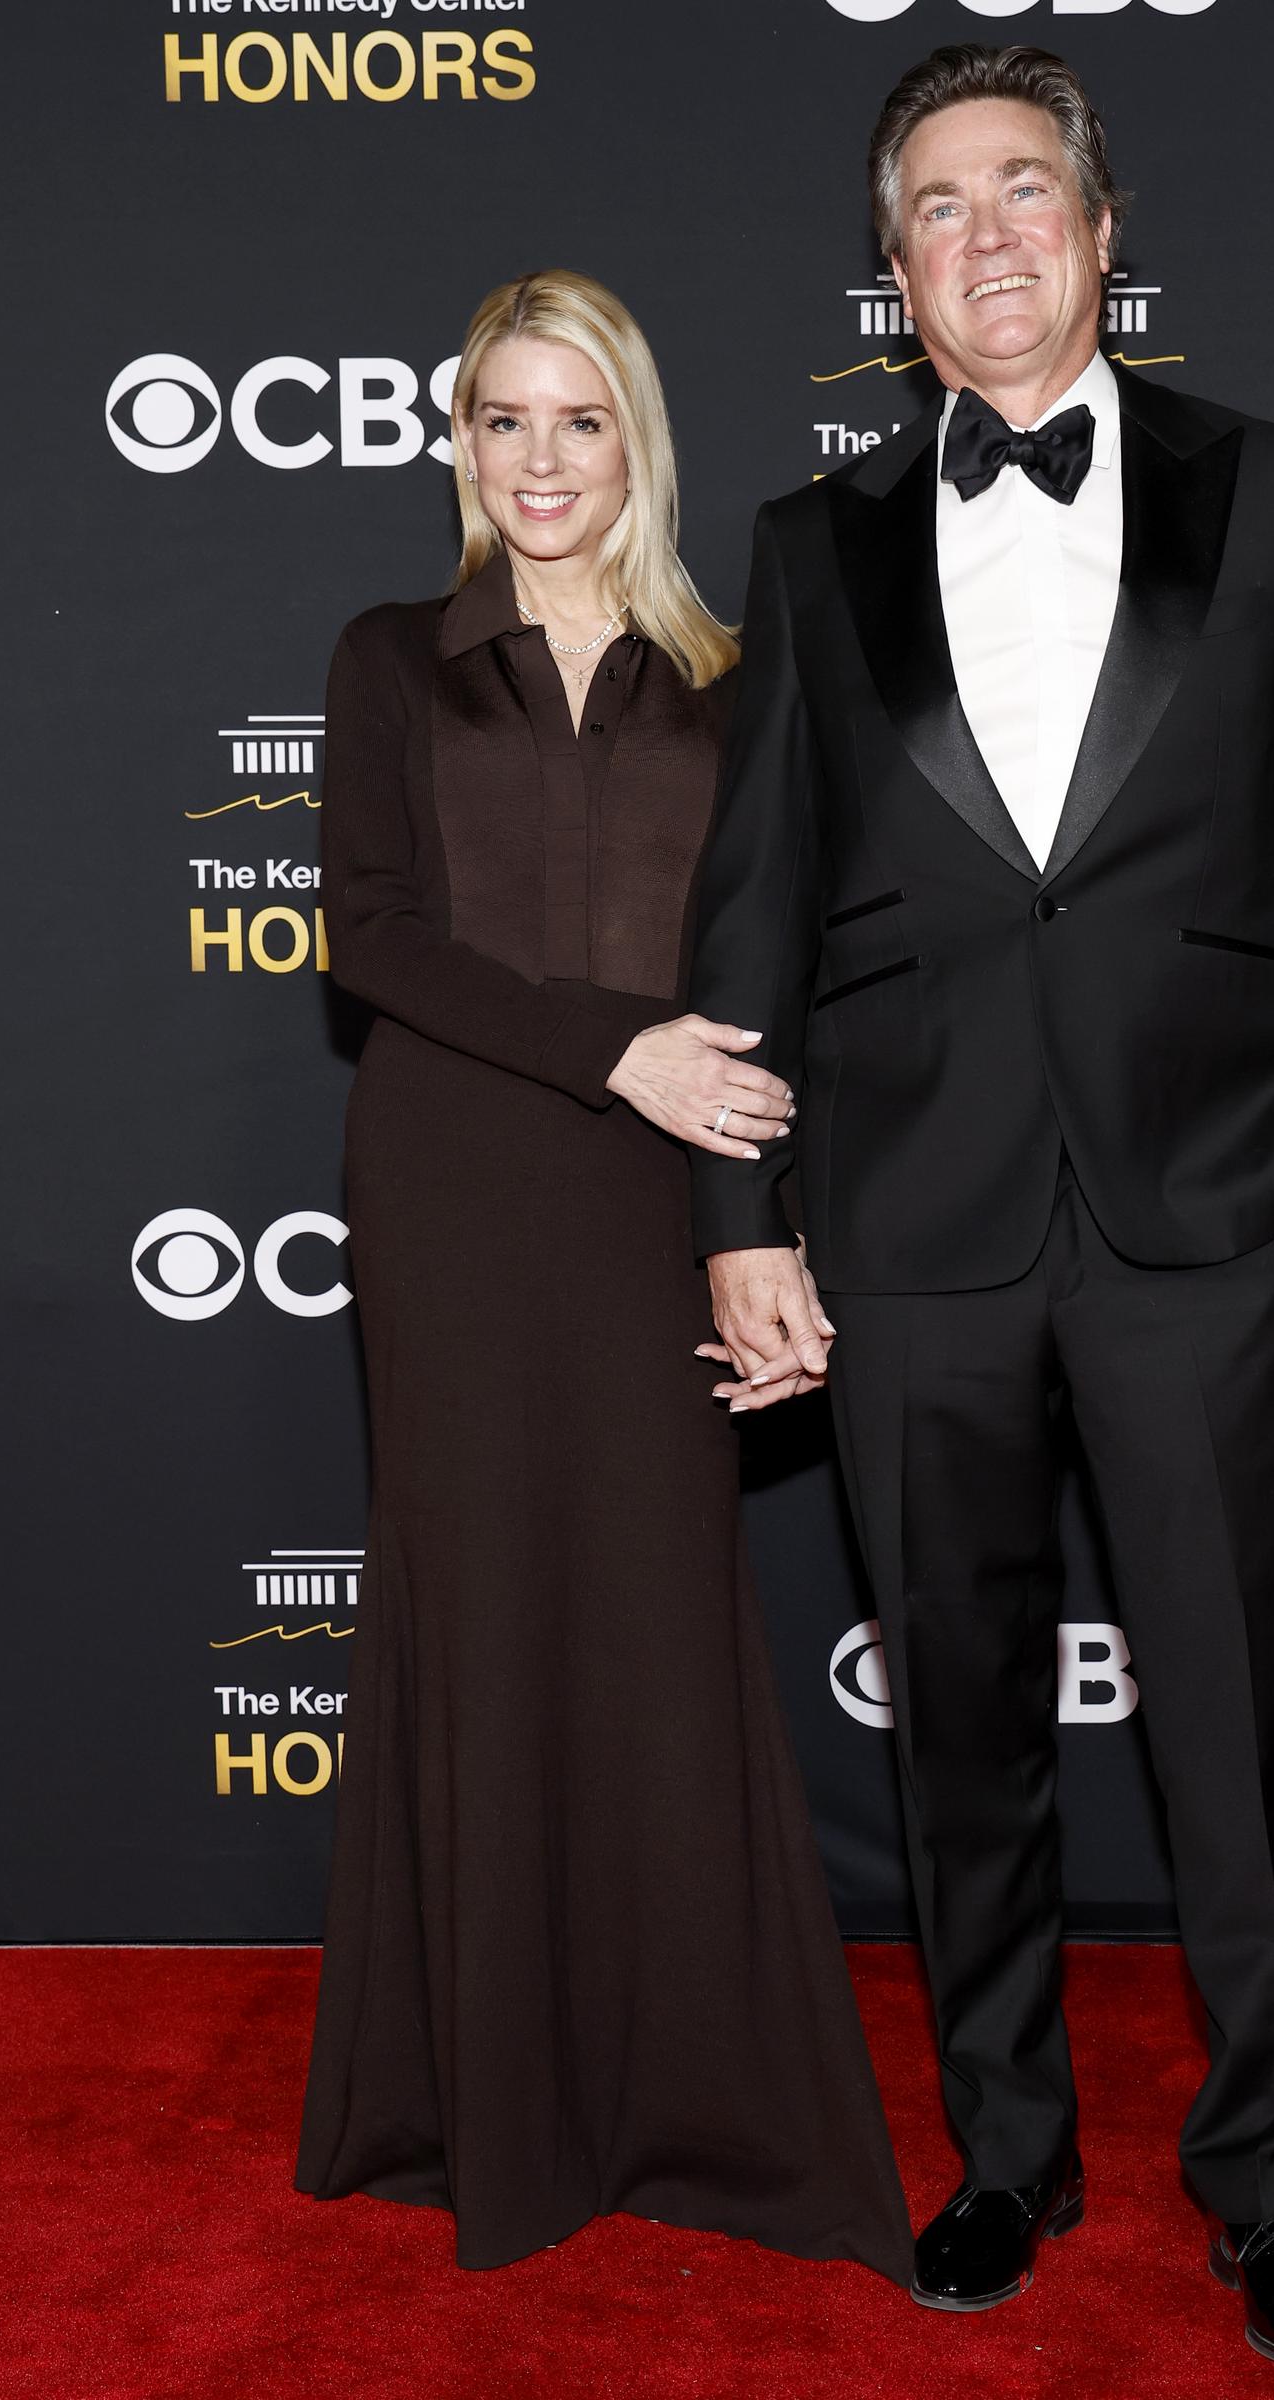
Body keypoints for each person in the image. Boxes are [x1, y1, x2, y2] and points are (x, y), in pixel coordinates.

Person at [686, 45, 1274, 2372]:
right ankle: (1005, 2151)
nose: (984, 236)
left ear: (1103, 232)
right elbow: (752, 919)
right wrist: (743, 1212)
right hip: (908, 1231)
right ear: (890, 276)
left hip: (1211, 1218)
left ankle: (1271, 2187)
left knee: (1234, 1740)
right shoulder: (809, 555)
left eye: (1023, 191)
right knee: (958, 1739)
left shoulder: (1270, 494)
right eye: (932, 206)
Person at [294, 269, 911, 2285]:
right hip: (455, 1192)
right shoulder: (394, 656)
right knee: (475, 1619)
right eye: (502, 420)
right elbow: (370, 935)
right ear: (457, 443)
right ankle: (474, 2100)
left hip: (664, 1199)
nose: (539, 460)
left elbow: (779, 985)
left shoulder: (731, 681)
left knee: (654, 1623)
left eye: (580, 421)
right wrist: (607, 1046)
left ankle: (694, 2102)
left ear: (633, 442)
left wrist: (766, 1226)